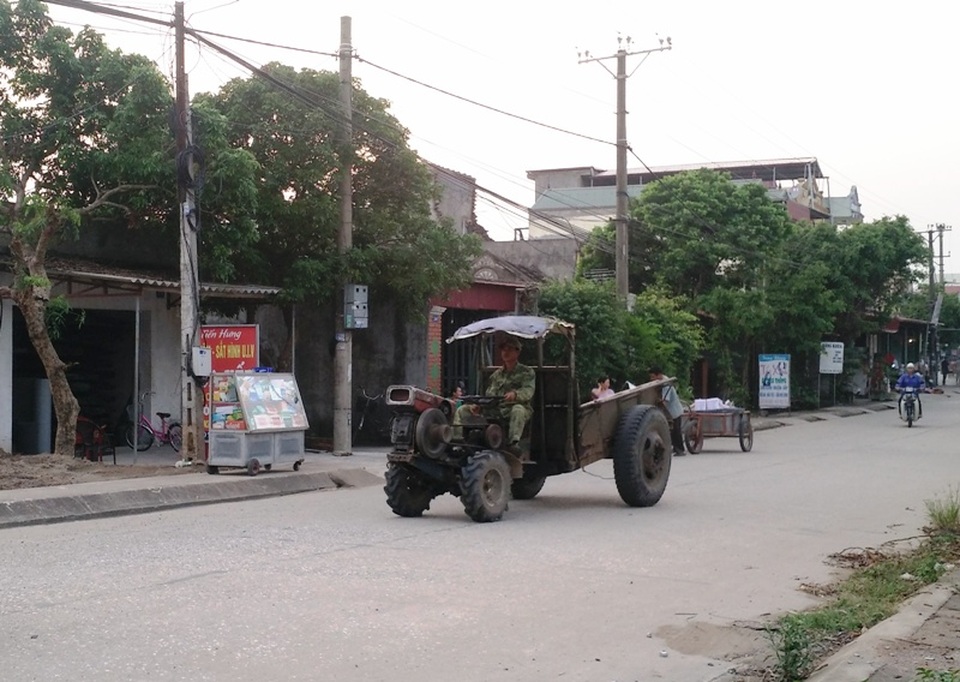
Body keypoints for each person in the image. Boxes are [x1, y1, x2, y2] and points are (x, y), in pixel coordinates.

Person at [455, 335, 535, 452]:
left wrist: (515, 395)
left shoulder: (527, 372)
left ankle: (513, 444)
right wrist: (479, 405)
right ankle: (458, 441)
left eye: (509, 349)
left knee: (518, 410)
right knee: (463, 410)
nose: (505, 352)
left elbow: (528, 391)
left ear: (517, 352)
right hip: (494, 409)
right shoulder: (496, 375)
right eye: (503, 349)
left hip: (512, 408)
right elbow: (489, 394)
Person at [649, 366, 686, 457]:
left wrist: (658, 409)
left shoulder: (666, 384)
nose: (651, 379)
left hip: (674, 411)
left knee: (676, 431)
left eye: (653, 377)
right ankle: (675, 448)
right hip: (669, 411)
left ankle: (680, 449)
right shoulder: (660, 382)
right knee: (672, 430)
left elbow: (665, 401)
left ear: (659, 375)